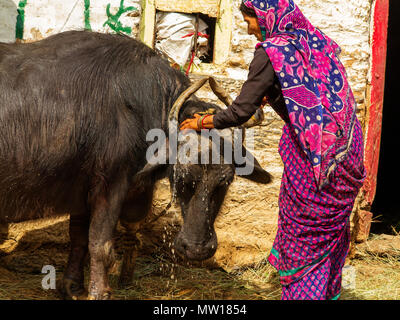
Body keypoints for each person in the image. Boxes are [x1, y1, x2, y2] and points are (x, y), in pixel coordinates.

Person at [180, 0, 366, 300]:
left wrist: (201, 122)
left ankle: (305, 294)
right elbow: (314, 89)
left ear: (265, 16)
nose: (248, 27)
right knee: (330, 232)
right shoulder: (311, 39)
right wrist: (276, 94)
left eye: (249, 20)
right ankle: (328, 291)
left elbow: (239, 112)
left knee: (304, 237)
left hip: (314, 159)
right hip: (347, 151)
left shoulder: (271, 52)